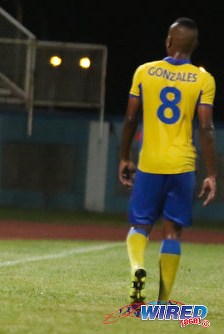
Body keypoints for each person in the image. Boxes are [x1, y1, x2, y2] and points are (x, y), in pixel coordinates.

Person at [118, 17, 217, 304]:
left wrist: (125, 157)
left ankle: (138, 268)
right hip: (183, 165)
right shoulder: (203, 80)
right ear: (195, 45)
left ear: (168, 41)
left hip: (149, 163)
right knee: (172, 232)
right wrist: (212, 173)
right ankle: (163, 301)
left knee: (140, 225)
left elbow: (130, 118)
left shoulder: (145, 71)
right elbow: (206, 129)